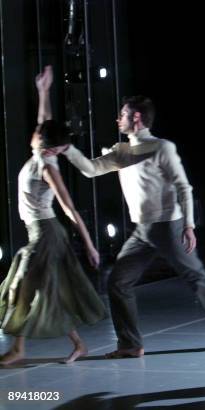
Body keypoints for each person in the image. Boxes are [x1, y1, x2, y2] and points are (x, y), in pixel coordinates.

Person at [47, 96, 205, 357]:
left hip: (168, 227)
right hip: (142, 231)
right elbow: (90, 169)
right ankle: (130, 344)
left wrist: (189, 226)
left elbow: (184, 186)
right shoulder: (123, 152)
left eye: (122, 115)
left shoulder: (162, 148)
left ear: (136, 118)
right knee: (118, 282)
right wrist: (67, 149)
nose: (118, 119)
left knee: (196, 278)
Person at [0, 66, 106, 365]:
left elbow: (70, 209)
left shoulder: (48, 167)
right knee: (45, 291)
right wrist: (43, 90)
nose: (34, 136)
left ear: (52, 150)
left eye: (40, 138)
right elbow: (43, 121)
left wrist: (89, 245)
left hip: (46, 233)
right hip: (38, 232)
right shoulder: (40, 146)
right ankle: (77, 345)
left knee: (24, 285)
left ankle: (19, 349)